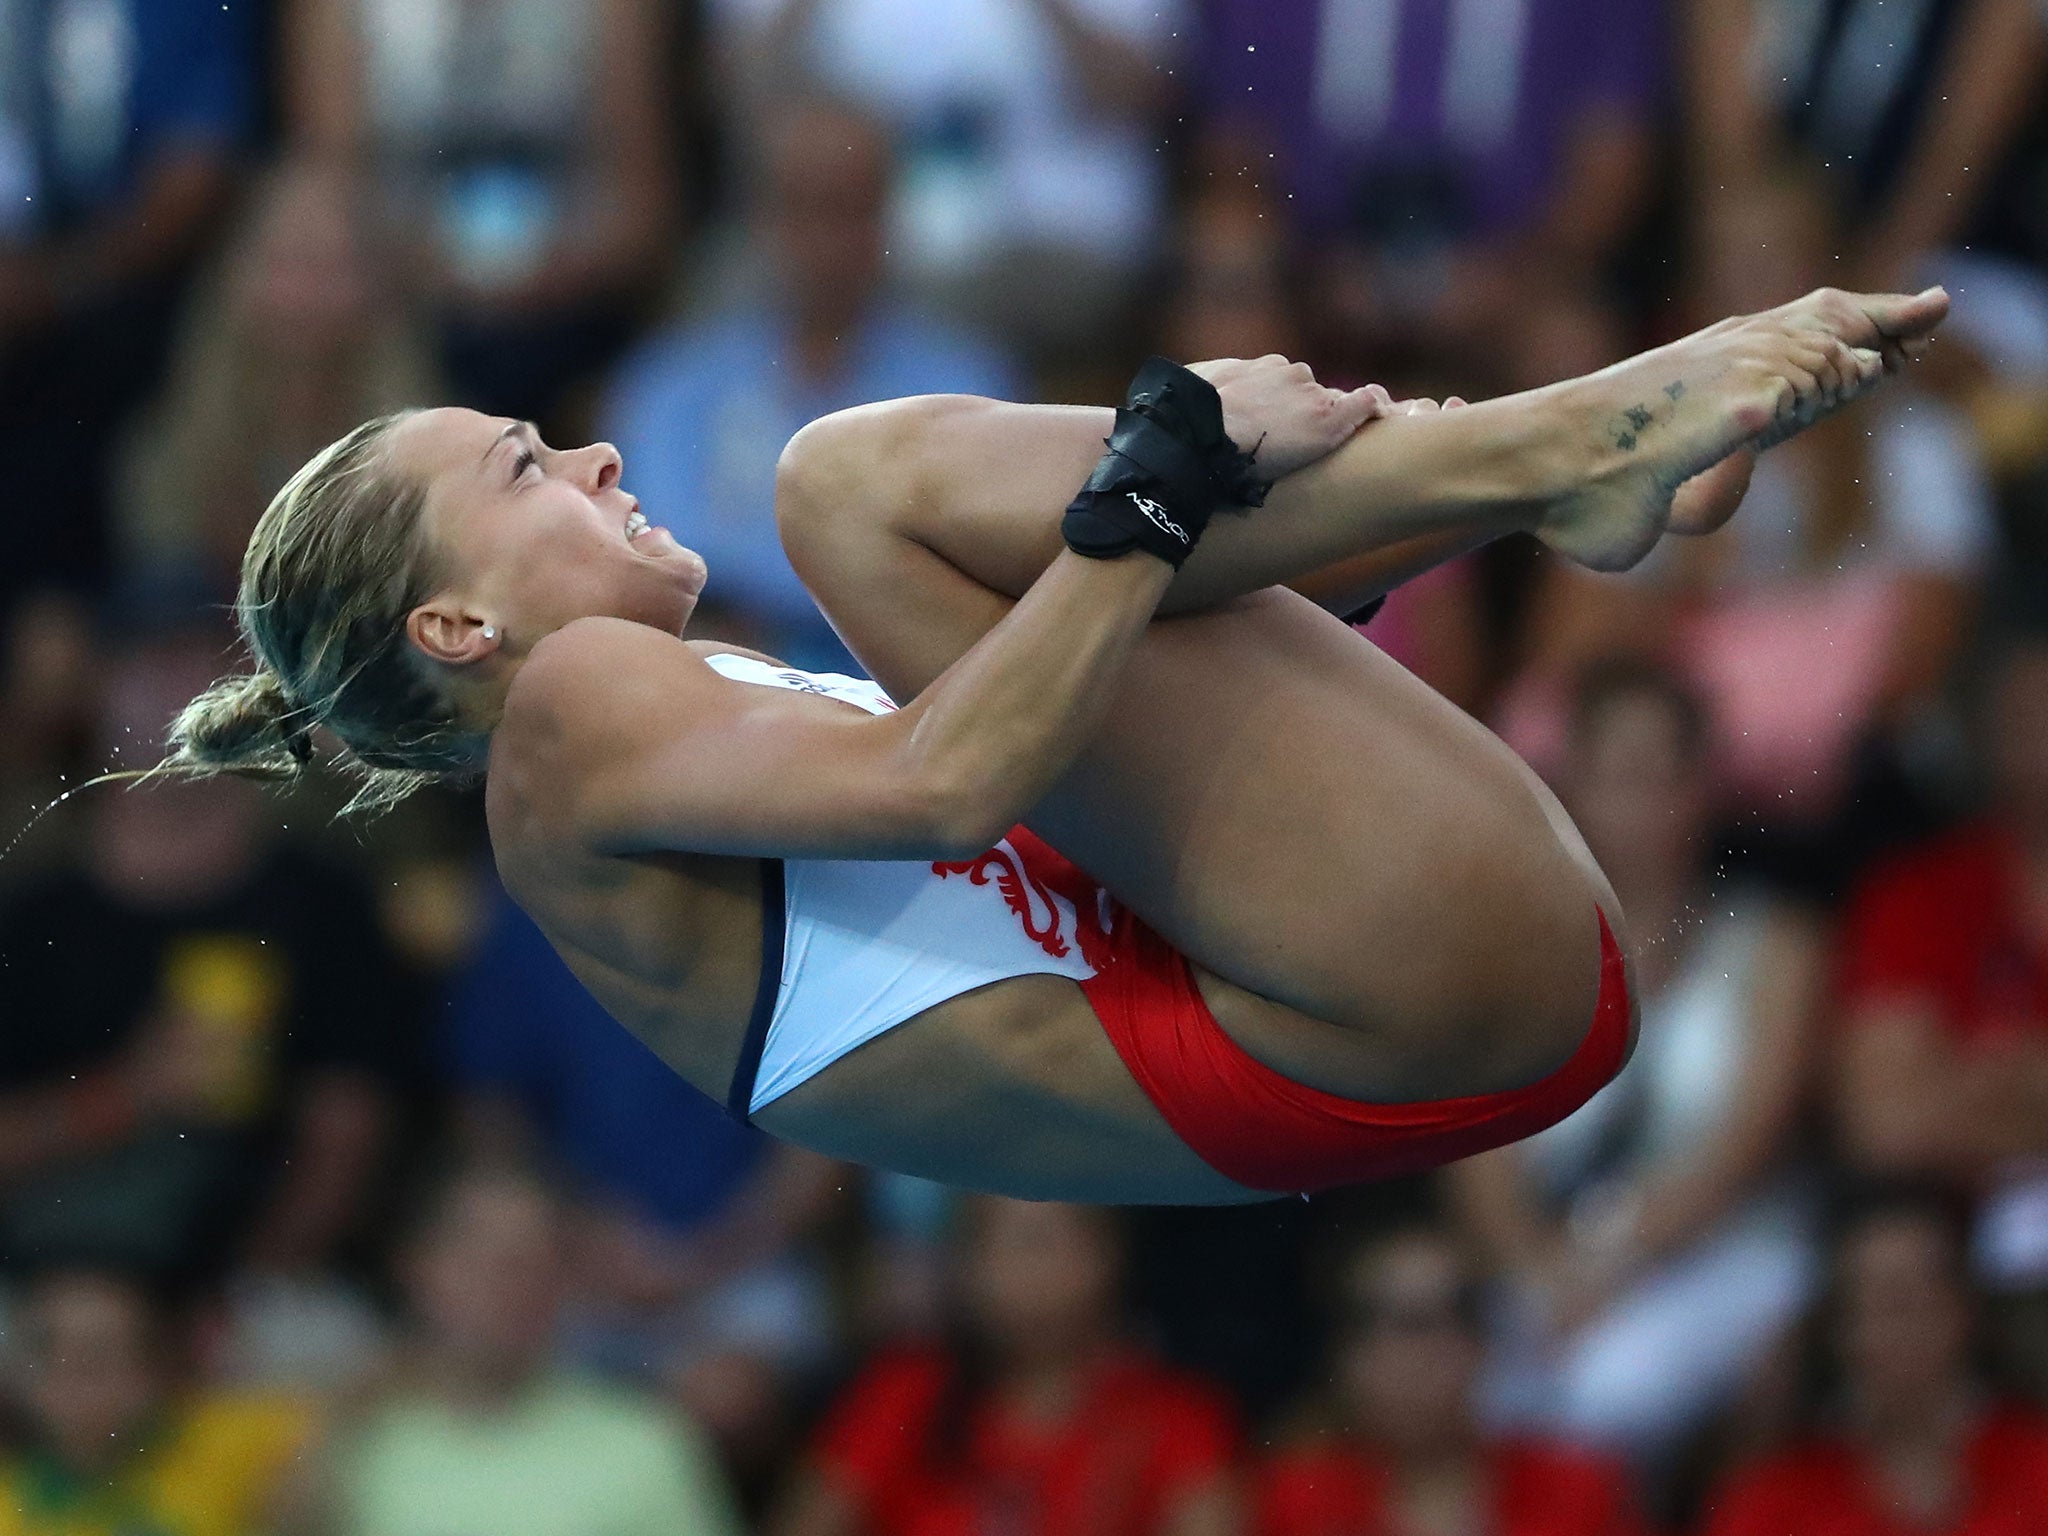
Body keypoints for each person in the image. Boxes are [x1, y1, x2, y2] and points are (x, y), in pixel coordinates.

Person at [150, 283, 1947, 1204]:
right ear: (455, 630)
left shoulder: (688, 728)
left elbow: (1190, 649)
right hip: (1372, 1014)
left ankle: (1563, 471)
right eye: (527, 468)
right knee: (845, 485)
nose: (601, 459)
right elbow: (948, 784)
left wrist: (1190, 494)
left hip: (1423, 999)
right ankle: (1566, 446)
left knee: (970, 528)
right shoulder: (560, 722)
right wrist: (1160, 463)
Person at [1452, 661, 1824, 1467]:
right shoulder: (1517, 952)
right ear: (1569, 783)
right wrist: (1538, 1281)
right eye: (1617, 774)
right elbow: (1476, 1157)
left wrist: (1608, 1273)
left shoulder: (1776, 947)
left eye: (1663, 774)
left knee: (1610, 1391)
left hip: (1724, 1254)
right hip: (1548, 1264)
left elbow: (1742, 1150)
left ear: (1704, 786)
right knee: (1491, 1394)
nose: (1641, 802)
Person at [281, 1161, 745, 1536]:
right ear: (419, 1268)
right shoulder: (349, 1440)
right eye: (493, 1262)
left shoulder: (647, 1443)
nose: (518, 1287)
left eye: (537, 1263)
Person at [769, 1197, 1240, 1536]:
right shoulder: (905, 1391)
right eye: (989, 1241)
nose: (1015, 1271)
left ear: (1111, 1252)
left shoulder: (1177, 1417)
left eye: (1039, 1243)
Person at [1257, 1224, 1647, 1536]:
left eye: (1434, 1322)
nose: (1416, 1358)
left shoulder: (1577, 1487)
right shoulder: (1297, 1501)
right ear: (1347, 1356)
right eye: (1393, 1325)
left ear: (1480, 1345)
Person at [1701, 1187, 2048, 1536]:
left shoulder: (2037, 1464)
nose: (1896, 1330)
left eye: (1911, 1301)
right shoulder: (1774, 1494)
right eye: (1874, 1306)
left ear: (1966, 1310)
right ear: (1838, 1329)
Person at [0, 1264, 314, 1536]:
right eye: (54, 1359)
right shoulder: (7, 1503)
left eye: (100, 1359)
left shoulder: (227, 1439)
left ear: (154, 1370)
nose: (77, 1386)